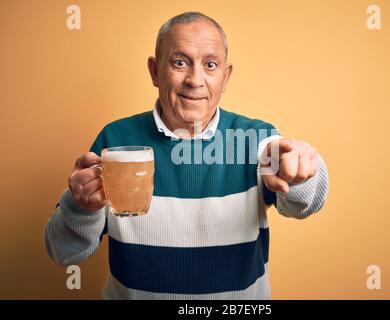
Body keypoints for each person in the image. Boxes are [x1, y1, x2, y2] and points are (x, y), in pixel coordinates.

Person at [45, 11, 329, 299]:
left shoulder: (257, 140)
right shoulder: (116, 140)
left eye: (210, 65)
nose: (195, 80)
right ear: (155, 71)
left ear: (225, 76)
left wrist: (300, 173)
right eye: (180, 62)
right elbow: (63, 252)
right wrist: (80, 208)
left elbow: (306, 204)